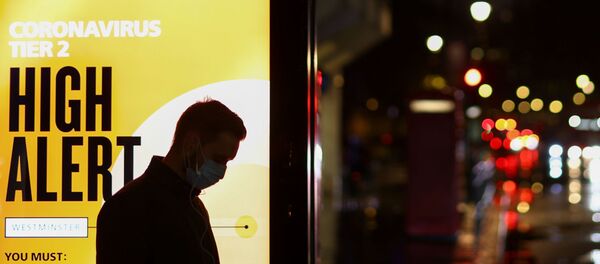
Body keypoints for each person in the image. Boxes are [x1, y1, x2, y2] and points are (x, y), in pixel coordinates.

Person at [96, 99, 246, 264]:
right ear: (191, 144)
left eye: (226, 162)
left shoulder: (196, 207)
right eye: (218, 159)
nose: (221, 171)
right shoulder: (126, 207)